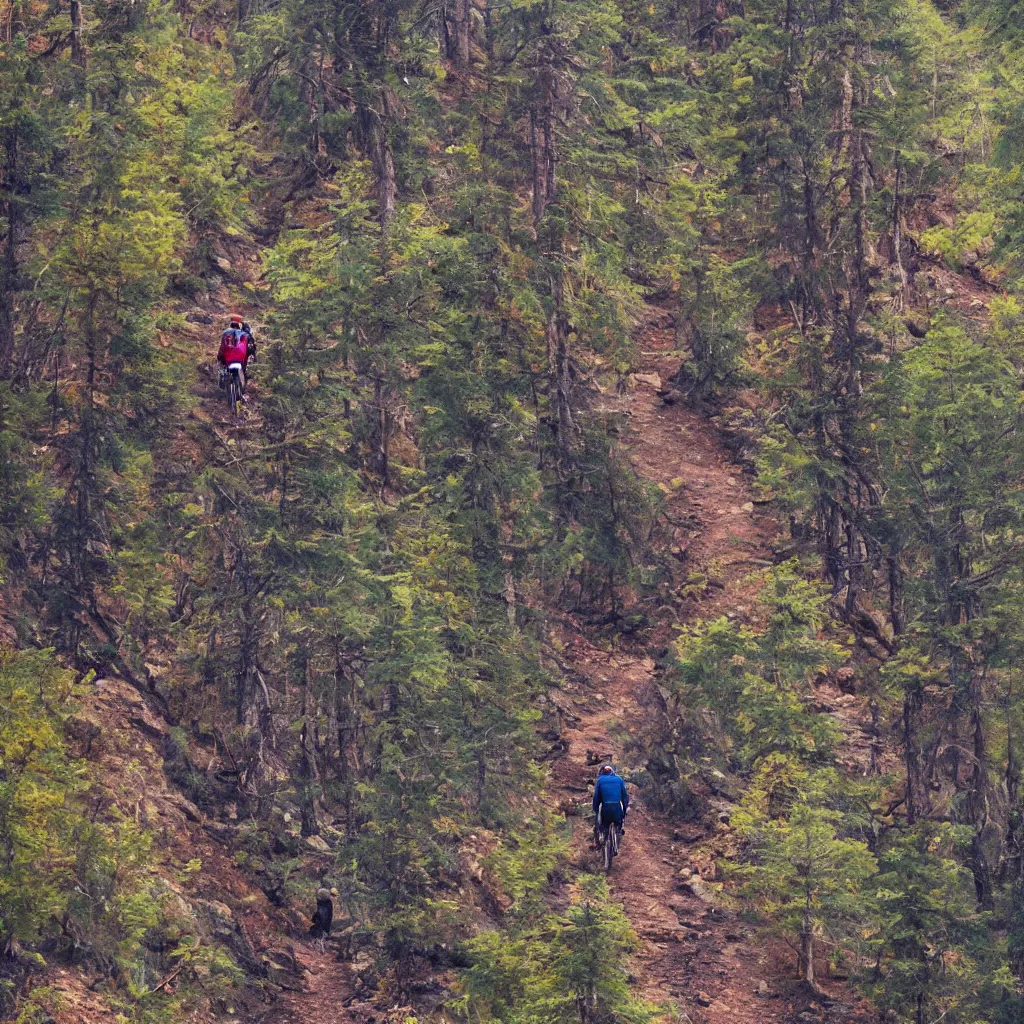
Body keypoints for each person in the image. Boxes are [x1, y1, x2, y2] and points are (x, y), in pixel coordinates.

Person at [217, 316, 256, 397]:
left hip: (228, 357)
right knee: (243, 371)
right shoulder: (244, 334)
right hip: (240, 357)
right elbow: (250, 347)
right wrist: (253, 356)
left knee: (223, 370)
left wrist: (220, 358)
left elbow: (222, 348)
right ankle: (241, 391)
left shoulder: (225, 334)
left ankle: (224, 386)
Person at [592, 763, 629, 848]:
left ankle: (600, 841)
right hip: (617, 809)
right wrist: (625, 808)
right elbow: (625, 796)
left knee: (602, 824)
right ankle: (619, 831)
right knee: (619, 821)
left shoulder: (600, 780)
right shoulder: (619, 779)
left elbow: (596, 797)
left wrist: (596, 809)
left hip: (605, 809)